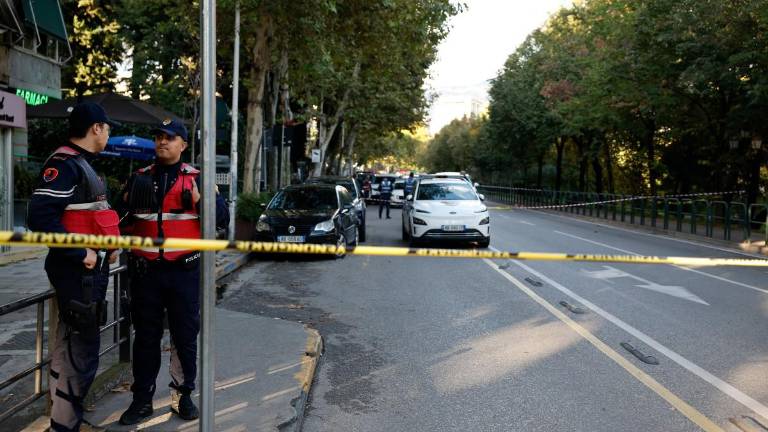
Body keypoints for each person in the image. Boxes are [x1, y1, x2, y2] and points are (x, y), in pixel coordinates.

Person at [117, 119, 229, 425]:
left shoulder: (198, 179)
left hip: (184, 273)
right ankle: (142, 400)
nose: (162, 142)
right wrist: (126, 204)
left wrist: (200, 199)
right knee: (146, 338)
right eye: (158, 137)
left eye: (169, 137)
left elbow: (221, 220)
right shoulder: (139, 177)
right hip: (146, 274)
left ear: (183, 144)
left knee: (185, 337)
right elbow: (119, 222)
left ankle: (183, 395)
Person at [27, 103, 120, 432]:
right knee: (78, 352)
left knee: (80, 350)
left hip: (88, 273)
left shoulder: (82, 165)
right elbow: (39, 218)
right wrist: (81, 251)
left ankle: (68, 422)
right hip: (77, 274)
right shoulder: (64, 164)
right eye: (107, 128)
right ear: (96, 128)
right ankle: (65, 426)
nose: (108, 134)